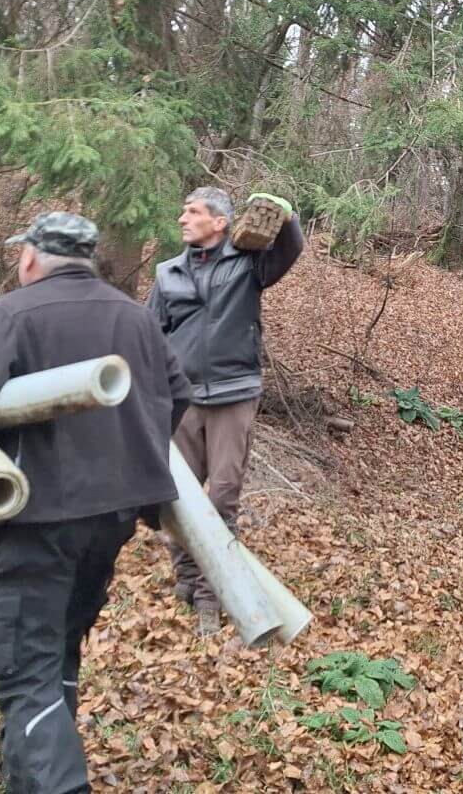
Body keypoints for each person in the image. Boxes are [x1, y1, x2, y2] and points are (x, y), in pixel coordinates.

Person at [0, 213, 192, 794]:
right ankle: (29, 771)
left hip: (39, 517)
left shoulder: (12, 314)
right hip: (113, 518)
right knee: (58, 646)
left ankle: (57, 783)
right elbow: (179, 392)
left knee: (21, 660)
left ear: (32, 258)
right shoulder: (136, 316)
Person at [148, 186, 302, 632]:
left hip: (234, 395)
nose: (182, 218)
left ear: (219, 222)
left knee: (222, 497)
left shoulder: (249, 264)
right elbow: (150, 335)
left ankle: (211, 597)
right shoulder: (168, 273)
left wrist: (286, 216)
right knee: (179, 499)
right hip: (183, 399)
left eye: (192, 212)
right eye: (183, 210)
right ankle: (187, 578)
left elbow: (291, 248)